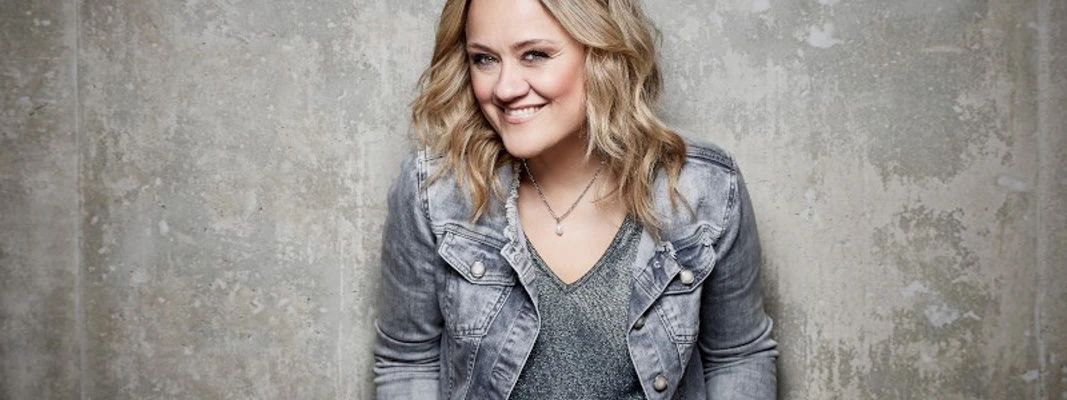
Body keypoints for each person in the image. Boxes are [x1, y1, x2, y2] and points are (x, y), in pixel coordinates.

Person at [373, 0, 778, 398]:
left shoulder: (702, 188)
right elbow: (408, 361)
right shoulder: (437, 192)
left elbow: (737, 357)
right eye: (483, 59)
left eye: (534, 54)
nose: (504, 88)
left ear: (601, 51)